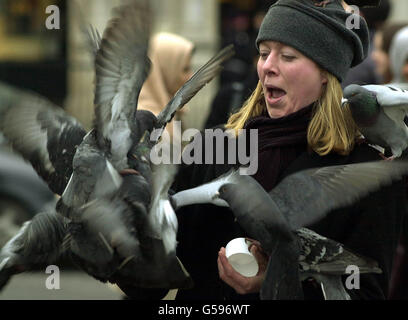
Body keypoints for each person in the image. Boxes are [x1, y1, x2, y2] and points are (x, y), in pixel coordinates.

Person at [170, 0, 406, 300]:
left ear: (326, 73)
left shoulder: (369, 171)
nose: (268, 66)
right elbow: (158, 268)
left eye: (288, 56)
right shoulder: (213, 147)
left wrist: (281, 285)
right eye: (264, 53)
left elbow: (364, 291)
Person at [138, 32, 195, 143]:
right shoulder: (143, 123)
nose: (191, 76)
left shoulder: (173, 113)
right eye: (185, 69)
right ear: (166, 71)